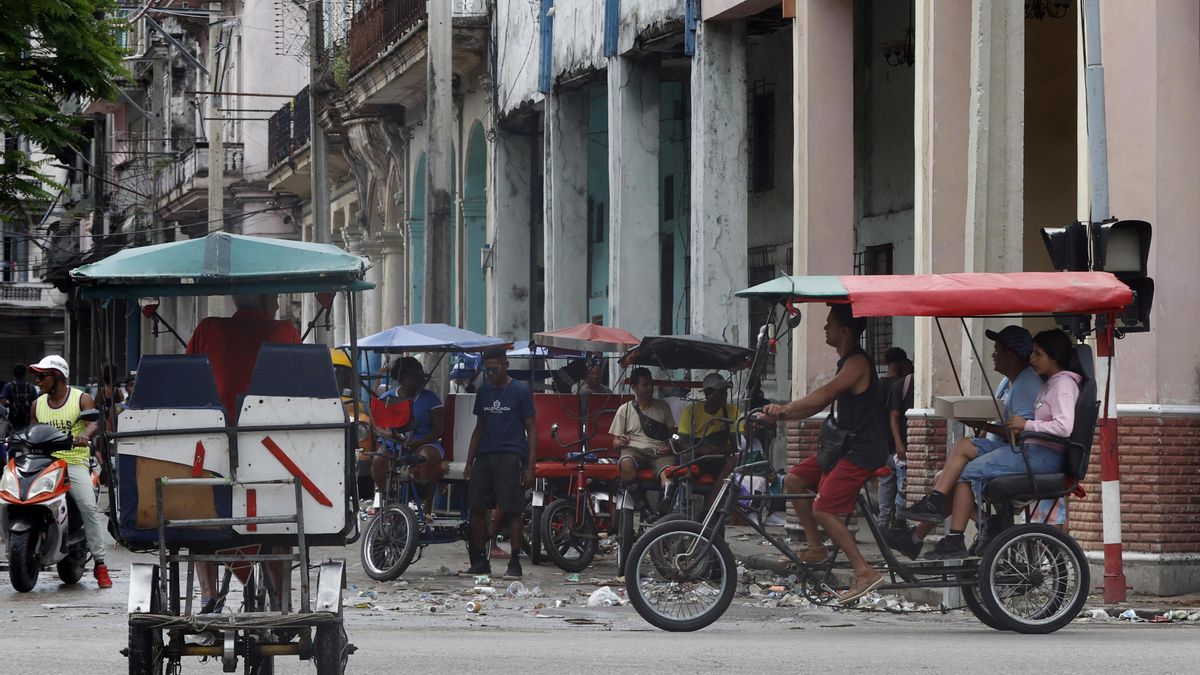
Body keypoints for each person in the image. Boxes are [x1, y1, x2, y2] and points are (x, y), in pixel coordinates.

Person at [898, 328, 1080, 559]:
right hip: (1028, 449)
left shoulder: (1061, 385)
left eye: (1038, 354)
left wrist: (1026, 425)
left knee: (966, 473)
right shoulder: (1045, 384)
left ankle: (956, 538)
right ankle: (934, 507)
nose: (1032, 359)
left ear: (1054, 357)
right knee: (964, 446)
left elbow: (1064, 427)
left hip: (1038, 454)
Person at [757, 304, 889, 604]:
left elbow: (825, 395)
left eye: (829, 323)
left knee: (823, 509)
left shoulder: (857, 362)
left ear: (845, 330)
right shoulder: (846, 363)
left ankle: (864, 571)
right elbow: (817, 405)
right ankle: (816, 547)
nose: (825, 328)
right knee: (793, 480)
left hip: (862, 450)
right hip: (842, 446)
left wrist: (786, 408)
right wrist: (779, 416)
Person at [185, 294, 301, 610]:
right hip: (271, 446)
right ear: (264, 300)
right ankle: (282, 602)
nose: (277, 304)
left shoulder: (208, 329)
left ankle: (208, 594)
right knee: (280, 524)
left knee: (200, 514)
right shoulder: (286, 331)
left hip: (212, 442)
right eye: (275, 298)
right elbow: (301, 388)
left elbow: (188, 381)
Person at [27, 355, 110, 589]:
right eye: (37, 376)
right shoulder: (38, 403)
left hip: (73, 462)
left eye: (42, 376)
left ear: (58, 376)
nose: (38, 380)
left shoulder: (80, 398)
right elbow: (32, 431)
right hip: (43, 462)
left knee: (88, 507)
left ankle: (101, 564)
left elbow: (95, 422)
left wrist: (87, 434)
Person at [463, 345, 537, 579]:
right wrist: (469, 461)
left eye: (495, 367)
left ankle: (514, 562)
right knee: (476, 507)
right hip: (485, 457)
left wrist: (530, 466)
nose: (491, 372)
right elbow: (479, 428)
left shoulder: (520, 391)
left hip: (510, 456)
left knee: (513, 510)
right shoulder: (484, 392)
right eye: (488, 368)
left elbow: (532, 429)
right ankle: (479, 560)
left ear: (505, 364)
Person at [372, 357, 445, 516]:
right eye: (416, 377)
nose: (420, 381)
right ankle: (387, 499)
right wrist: (392, 436)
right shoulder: (387, 398)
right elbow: (378, 427)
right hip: (394, 444)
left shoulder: (430, 398)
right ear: (405, 380)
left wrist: (420, 442)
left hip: (424, 442)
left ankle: (427, 504)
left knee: (427, 457)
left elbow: (439, 428)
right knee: (378, 460)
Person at [610, 367, 677, 524]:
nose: (649, 388)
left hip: (660, 451)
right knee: (625, 463)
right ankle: (644, 509)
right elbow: (614, 443)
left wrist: (671, 445)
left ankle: (665, 504)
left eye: (651, 384)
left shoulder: (663, 407)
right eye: (645, 385)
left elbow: (674, 433)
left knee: (668, 474)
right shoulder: (624, 410)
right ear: (634, 387)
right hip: (634, 451)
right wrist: (620, 442)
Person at [677, 372, 741, 503]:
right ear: (709, 394)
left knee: (733, 461)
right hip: (696, 457)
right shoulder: (691, 411)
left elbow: (735, 445)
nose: (725, 395)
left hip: (718, 458)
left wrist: (717, 450)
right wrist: (702, 450)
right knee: (685, 459)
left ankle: (712, 504)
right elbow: (681, 443)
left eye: (725, 391)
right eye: (721, 392)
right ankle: (685, 501)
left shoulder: (732, 411)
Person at [876, 349, 913, 529]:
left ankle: (883, 521)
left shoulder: (877, 385)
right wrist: (899, 442)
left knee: (886, 481)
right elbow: (894, 416)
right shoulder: (901, 384)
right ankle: (899, 522)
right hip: (898, 444)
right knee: (902, 483)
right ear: (899, 363)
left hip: (881, 442)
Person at [1, 364, 39, 432]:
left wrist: (9, 403)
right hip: (27, 421)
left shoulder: (8, 386)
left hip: (13, 421)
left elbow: (2, 403)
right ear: (25, 374)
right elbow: (36, 404)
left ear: (14, 374)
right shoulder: (31, 387)